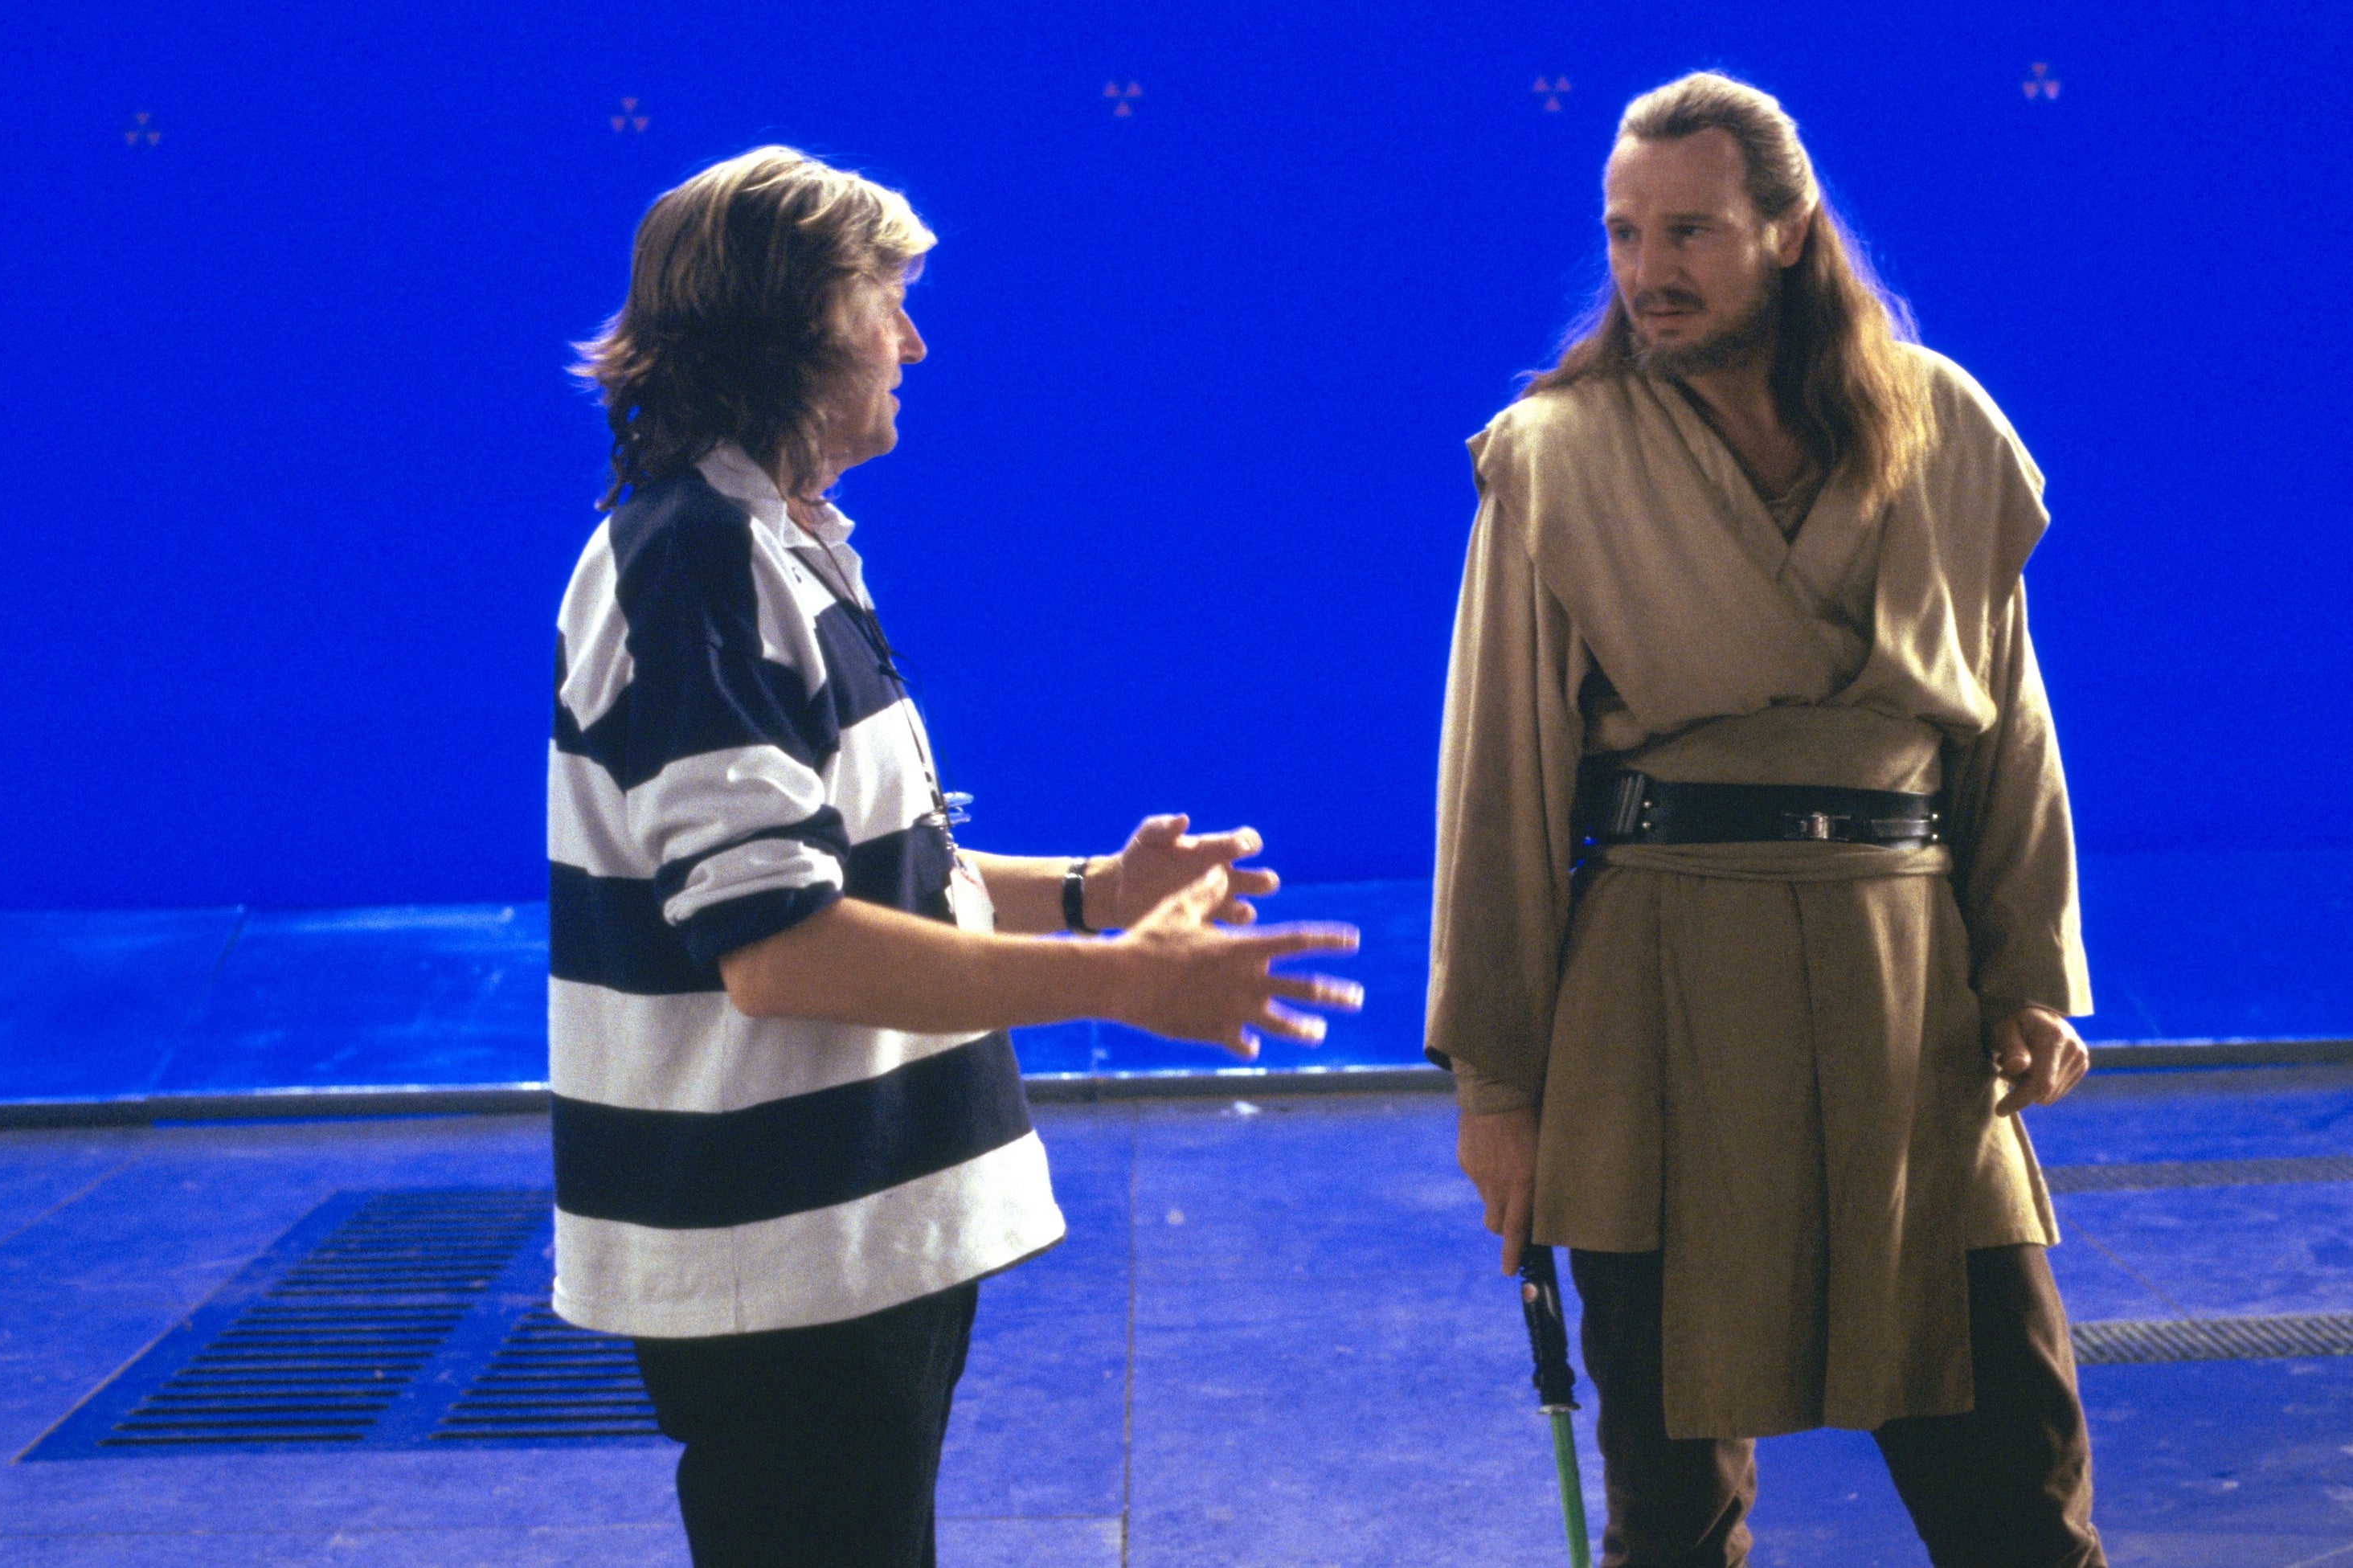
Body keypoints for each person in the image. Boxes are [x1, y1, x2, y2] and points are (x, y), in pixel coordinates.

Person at [550, 146, 1361, 1568]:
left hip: (843, 1248)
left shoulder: (776, 544)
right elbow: (781, 950)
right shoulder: (699, 562)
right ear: (789, 324)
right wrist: (1116, 980)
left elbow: (859, 878)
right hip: (787, 1259)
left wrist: (1092, 892)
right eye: (884, 300)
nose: (912, 340)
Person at [1430, 73, 2101, 1568]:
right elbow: (1499, 790)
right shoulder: (1555, 457)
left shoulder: (1944, 430)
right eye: (1622, 234)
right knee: (1672, 1516)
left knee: (2019, 1483)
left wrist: (2030, 971)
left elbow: (2007, 731)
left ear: (1788, 231)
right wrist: (1497, 1085)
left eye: (1690, 232)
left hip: (1906, 991)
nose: (1647, 271)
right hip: (1660, 996)